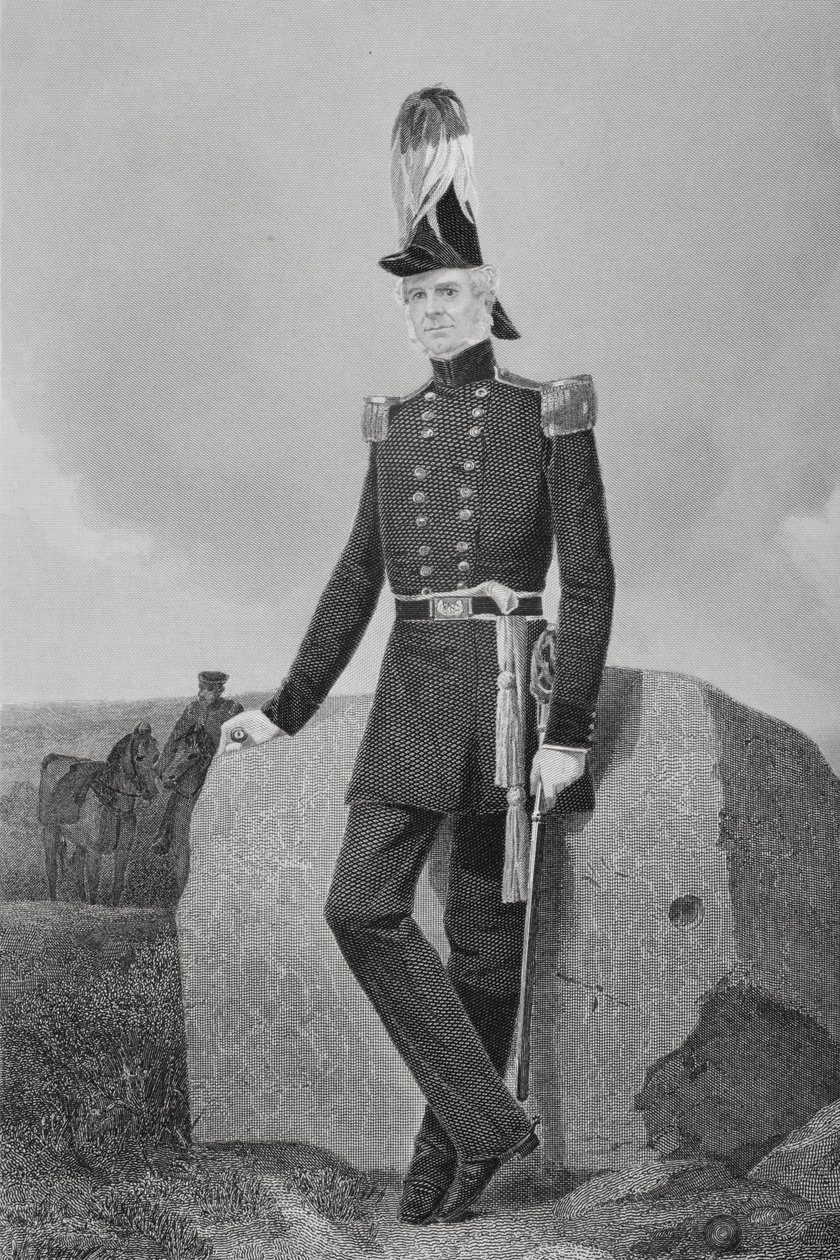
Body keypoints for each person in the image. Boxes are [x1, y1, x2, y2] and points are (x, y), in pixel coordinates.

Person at [221, 87, 615, 1225]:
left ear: (488, 299)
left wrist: (567, 734)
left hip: (506, 694)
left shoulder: (549, 414)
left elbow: (590, 581)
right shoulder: (392, 424)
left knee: (485, 943)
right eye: (415, 298)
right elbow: (358, 575)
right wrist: (287, 707)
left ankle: (449, 1152)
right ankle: (491, 1120)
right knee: (361, 906)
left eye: (448, 293)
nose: (431, 312)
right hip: (411, 690)